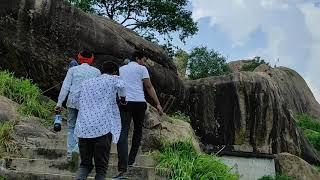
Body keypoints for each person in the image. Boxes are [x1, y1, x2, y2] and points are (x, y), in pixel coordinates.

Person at [113, 50, 164, 179]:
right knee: (137, 131)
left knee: (123, 131)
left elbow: (118, 85)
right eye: (143, 60)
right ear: (138, 58)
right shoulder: (142, 69)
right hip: (139, 103)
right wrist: (157, 104)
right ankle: (131, 160)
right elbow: (148, 86)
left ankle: (122, 166)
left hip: (125, 103)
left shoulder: (122, 69)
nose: (144, 62)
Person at [74, 61, 126, 180]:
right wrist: (123, 99)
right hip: (102, 129)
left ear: (101, 71)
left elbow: (75, 97)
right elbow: (122, 86)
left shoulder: (86, 82)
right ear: (114, 72)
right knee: (101, 168)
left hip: (84, 129)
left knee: (85, 165)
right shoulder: (113, 79)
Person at [54, 49, 101, 160]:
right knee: (84, 127)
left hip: (72, 101)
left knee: (71, 127)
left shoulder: (73, 70)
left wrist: (59, 103)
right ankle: (76, 149)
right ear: (91, 59)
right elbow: (98, 90)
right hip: (88, 104)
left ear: (79, 58)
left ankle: (70, 153)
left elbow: (65, 87)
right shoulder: (97, 72)